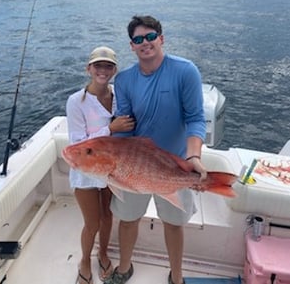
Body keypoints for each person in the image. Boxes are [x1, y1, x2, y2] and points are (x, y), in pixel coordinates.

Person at [105, 16, 208, 284]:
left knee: (174, 224)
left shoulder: (185, 71)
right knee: (127, 220)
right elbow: (126, 127)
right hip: (134, 165)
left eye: (150, 36)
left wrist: (193, 156)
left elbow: (196, 118)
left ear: (161, 38)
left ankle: (177, 276)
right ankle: (124, 268)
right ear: (132, 46)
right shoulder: (125, 80)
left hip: (174, 164)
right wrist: (114, 163)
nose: (145, 43)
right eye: (138, 39)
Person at [66, 46, 135, 284]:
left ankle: (102, 252)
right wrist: (110, 129)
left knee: (108, 217)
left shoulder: (119, 95)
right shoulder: (76, 101)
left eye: (108, 66)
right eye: (98, 65)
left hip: (110, 170)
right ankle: (85, 260)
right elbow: (76, 144)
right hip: (85, 172)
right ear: (89, 69)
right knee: (92, 222)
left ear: (114, 70)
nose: (103, 70)